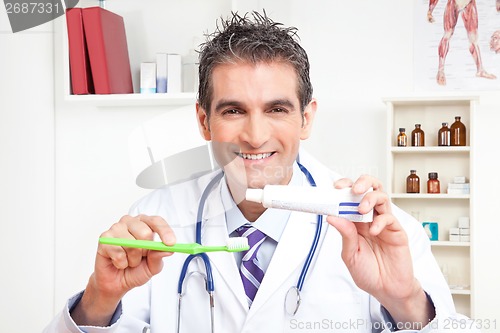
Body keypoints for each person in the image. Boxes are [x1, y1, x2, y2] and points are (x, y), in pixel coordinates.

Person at [44, 11, 478, 332]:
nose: (254, 135)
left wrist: (403, 300)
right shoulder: (154, 221)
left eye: (277, 109)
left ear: (306, 119)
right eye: (233, 110)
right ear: (203, 120)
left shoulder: (377, 227)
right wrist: (99, 302)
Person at [427, 0, 496, 85]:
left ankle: (480, 70)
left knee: (473, 38)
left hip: (469, 3)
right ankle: (440, 70)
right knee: (447, 34)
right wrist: (430, 10)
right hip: (454, 3)